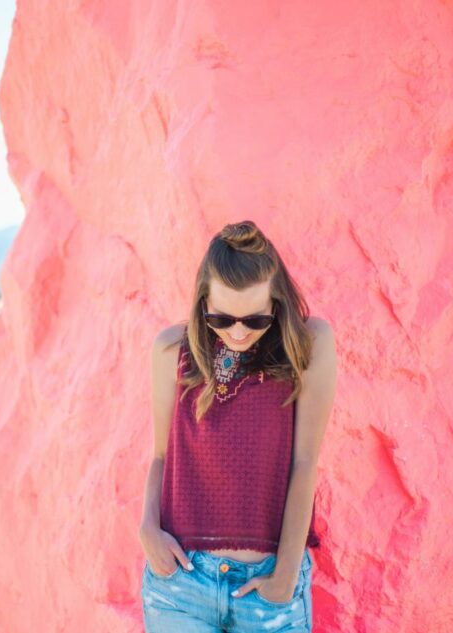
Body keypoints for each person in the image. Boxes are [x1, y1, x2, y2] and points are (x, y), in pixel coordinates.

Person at [138, 221, 337, 633]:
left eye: (256, 319)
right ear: (202, 303)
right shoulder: (171, 350)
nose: (239, 331)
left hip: (267, 590)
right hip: (181, 588)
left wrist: (284, 574)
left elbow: (304, 463)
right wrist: (147, 528)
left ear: (276, 303)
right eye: (222, 318)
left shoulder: (308, 344)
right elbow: (161, 455)